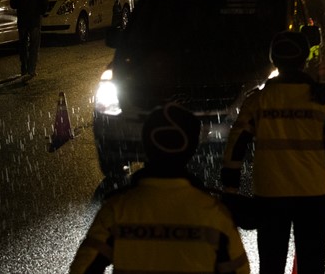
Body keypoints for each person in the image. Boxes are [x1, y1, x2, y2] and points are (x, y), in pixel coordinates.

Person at [221, 31, 325, 274]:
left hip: (270, 194)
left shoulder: (258, 101)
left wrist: (230, 187)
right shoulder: (320, 100)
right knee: (312, 264)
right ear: (304, 60)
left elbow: (236, 144)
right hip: (314, 193)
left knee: (271, 264)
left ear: (274, 60)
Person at [70, 103, 250, 274]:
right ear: (192, 149)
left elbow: (83, 269)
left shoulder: (116, 211)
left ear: (146, 146)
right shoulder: (216, 215)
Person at [10, 0, 48, 78]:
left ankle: (24, 67)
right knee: (34, 45)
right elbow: (45, 5)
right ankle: (31, 69)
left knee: (23, 44)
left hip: (22, 20)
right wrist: (40, 12)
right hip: (35, 20)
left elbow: (13, 4)